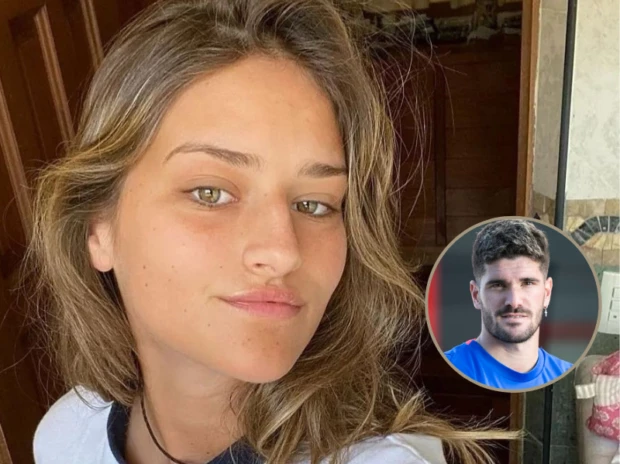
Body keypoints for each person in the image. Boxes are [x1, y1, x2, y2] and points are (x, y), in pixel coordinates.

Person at [24, 1, 516, 463]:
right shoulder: (67, 434)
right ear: (99, 229)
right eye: (210, 193)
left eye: (314, 204)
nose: (283, 251)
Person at [445, 219, 573, 390]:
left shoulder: (567, 376)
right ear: (476, 295)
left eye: (528, 283)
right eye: (498, 285)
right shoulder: (447, 371)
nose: (514, 301)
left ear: (547, 293)